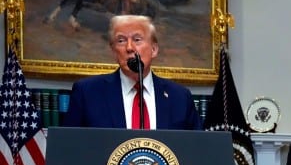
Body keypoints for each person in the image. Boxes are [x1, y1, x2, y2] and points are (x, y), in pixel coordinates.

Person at [63, 14, 202, 130]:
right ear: (113, 51)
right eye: (121, 41)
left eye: (137, 39)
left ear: (154, 49)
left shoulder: (179, 97)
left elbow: (195, 149)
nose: (129, 48)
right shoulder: (87, 92)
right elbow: (70, 148)